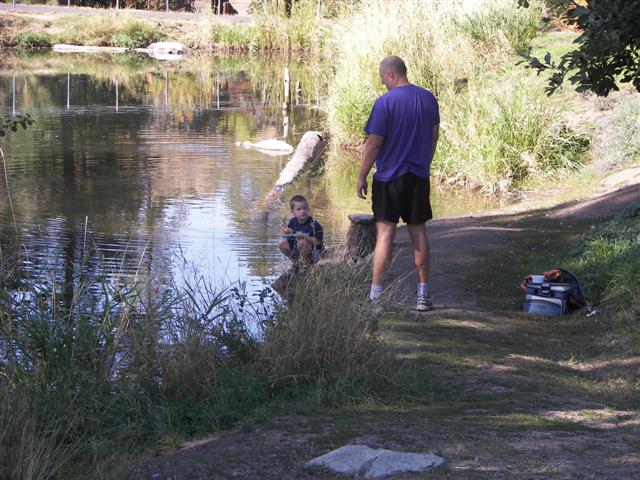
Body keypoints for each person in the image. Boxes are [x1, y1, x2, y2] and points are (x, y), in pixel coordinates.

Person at [356, 55, 440, 312]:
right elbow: (434, 136)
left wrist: (361, 175)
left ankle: (376, 298)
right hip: (418, 177)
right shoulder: (428, 99)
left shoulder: (385, 103)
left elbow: (373, 143)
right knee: (419, 233)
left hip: (389, 178)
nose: (383, 84)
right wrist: (425, 162)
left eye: (383, 79)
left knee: (385, 236)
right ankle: (423, 295)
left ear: (391, 75)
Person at [278, 195, 324, 264]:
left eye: (304, 208)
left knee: (301, 242)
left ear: (308, 209)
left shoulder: (313, 223)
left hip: (315, 253)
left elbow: (317, 242)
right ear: (293, 212)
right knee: (282, 243)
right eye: (298, 209)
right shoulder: (292, 222)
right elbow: (290, 239)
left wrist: (304, 236)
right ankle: (296, 263)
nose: (302, 211)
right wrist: (288, 234)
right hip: (299, 249)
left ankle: (307, 265)